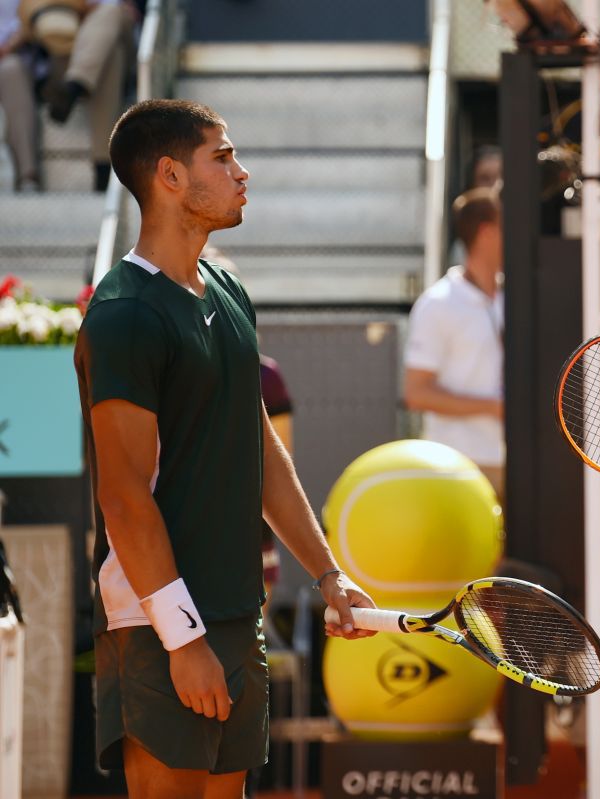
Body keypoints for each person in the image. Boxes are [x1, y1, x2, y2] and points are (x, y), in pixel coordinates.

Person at [74, 99, 376, 799]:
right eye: (223, 156)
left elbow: (261, 447)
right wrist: (182, 638)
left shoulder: (230, 288)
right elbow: (122, 495)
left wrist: (329, 575)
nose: (243, 171)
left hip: (238, 614)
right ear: (172, 176)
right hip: (156, 626)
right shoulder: (123, 314)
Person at [404, 187, 505, 501]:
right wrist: (494, 408)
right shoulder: (437, 303)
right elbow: (417, 393)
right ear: (487, 232)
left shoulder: (515, 296)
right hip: (459, 466)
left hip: (515, 464)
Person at [23, 0, 132, 191]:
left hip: (116, 38)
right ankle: (103, 168)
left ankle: (75, 86)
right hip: (62, 53)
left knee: (110, 13)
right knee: (111, 57)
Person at [0, 0, 38, 190]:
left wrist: (10, 45)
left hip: (15, 56)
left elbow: (35, 17)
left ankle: (27, 174)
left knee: (11, 70)